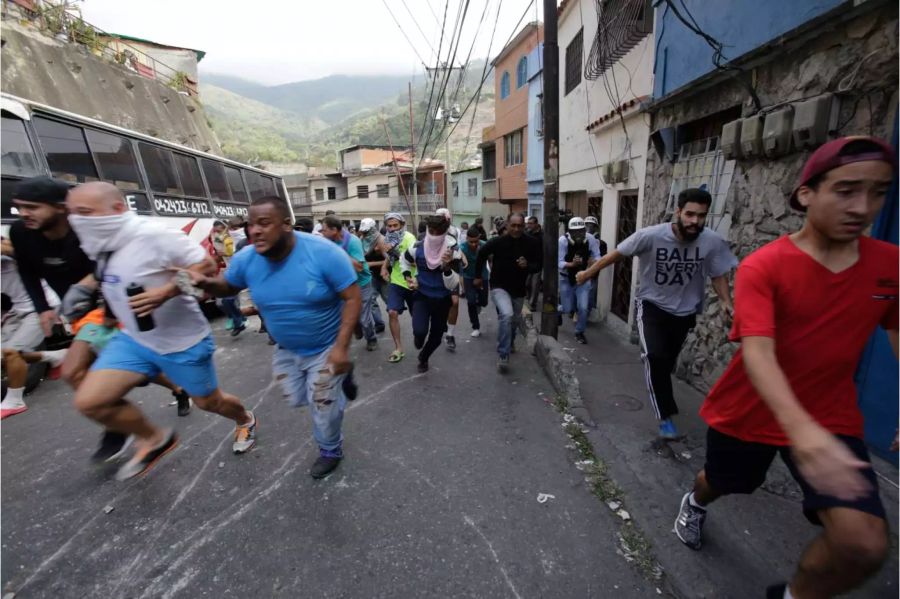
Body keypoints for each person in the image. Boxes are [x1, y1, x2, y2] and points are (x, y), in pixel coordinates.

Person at [673, 137, 897, 599]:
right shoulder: (766, 267)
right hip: (750, 411)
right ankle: (694, 502)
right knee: (722, 481)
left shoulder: (890, 266)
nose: (863, 206)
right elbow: (758, 353)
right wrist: (803, 435)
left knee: (863, 543)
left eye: (878, 192)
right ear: (806, 194)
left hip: (829, 416)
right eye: (846, 190)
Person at [67, 182, 256, 481]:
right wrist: (84, 287)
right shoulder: (101, 240)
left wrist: (166, 292)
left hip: (181, 341)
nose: (76, 220)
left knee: (209, 402)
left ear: (116, 209)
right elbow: (108, 269)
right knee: (90, 401)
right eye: (72, 213)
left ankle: (245, 418)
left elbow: (206, 266)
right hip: (133, 339)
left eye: (85, 212)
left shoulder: (154, 235)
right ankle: (154, 438)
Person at [191, 195, 360, 479]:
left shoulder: (324, 253)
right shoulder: (246, 257)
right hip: (287, 348)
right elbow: (228, 286)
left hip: (326, 347)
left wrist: (341, 348)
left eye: (264, 223)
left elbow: (353, 297)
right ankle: (342, 380)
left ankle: (331, 449)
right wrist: (205, 283)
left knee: (323, 406)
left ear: (286, 225)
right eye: (251, 224)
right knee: (296, 397)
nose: (254, 230)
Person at [577, 188, 737, 439]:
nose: (695, 221)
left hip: (685, 311)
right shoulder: (651, 236)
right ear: (678, 212)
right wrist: (588, 273)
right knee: (653, 356)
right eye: (690, 214)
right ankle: (665, 418)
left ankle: (663, 393)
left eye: (701, 216)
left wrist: (727, 302)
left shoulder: (712, 242)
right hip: (651, 305)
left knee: (666, 362)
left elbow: (718, 273)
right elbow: (617, 254)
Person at [1, 237, 64, 418]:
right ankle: (55, 356)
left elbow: (15, 249)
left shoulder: (11, 256)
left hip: (42, 307)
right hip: (16, 310)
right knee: (4, 356)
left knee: (11, 352)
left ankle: (14, 401)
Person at [474, 214, 542, 372]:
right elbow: (482, 254)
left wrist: (527, 266)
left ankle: (509, 341)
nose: (516, 229)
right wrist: (478, 276)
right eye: (513, 225)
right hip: (499, 286)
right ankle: (503, 354)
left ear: (523, 226)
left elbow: (538, 265)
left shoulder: (531, 242)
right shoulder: (498, 242)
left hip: (518, 290)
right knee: (506, 315)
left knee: (514, 321)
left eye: (520, 226)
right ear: (507, 225)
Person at [400, 215, 462, 372]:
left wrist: (447, 267)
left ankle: (424, 357)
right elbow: (404, 260)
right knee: (420, 331)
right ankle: (419, 338)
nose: (434, 236)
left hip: (443, 299)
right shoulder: (417, 247)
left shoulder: (453, 250)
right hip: (422, 296)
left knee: (436, 337)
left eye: (438, 232)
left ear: (445, 232)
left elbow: (454, 283)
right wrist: (408, 277)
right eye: (431, 231)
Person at [320, 216, 377, 352]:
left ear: (334, 230)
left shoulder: (353, 241)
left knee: (364, 317)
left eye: (324, 230)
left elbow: (359, 267)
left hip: (361, 284)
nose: (322, 233)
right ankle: (356, 327)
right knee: (346, 315)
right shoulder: (328, 242)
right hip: (342, 285)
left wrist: (338, 253)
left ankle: (371, 338)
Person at [381, 212, 417, 364]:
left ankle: (420, 334)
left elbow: (414, 262)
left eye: (395, 225)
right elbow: (390, 259)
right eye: (389, 226)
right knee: (392, 312)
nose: (392, 229)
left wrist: (393, 251)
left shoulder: (410, 238)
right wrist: (384, 267)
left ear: (402, 225)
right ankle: (398, 348)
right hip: (396, 281)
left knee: (418, 320)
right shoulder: (388, 239)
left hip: (412, 281)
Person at [558, 217, 602, 344]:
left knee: (583, 307)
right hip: (566, 278)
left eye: (581, 231)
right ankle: (557, 311)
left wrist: (593, 262)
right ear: (569, 232)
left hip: (583, 277)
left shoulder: (591, 239)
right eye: (575, 232)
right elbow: (558, 261)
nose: (579, 234)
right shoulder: (562, 241)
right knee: (568, 309)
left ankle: (579, 332)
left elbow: (598, 256)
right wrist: (571, 264)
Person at [435, 207, 464, 351]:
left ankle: (450, 334)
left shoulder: (455, 231)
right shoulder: (429, 233)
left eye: (444, 220)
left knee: (455, 302)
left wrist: (460, 257)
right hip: (435, 270)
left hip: (452, 267)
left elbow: (459, 249)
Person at [210, 220, 246, 337]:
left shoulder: (237, 238)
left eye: (219, 230)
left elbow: (231, 252)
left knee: (230, 300)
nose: (217, 232)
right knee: (225, 301)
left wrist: (224, 253)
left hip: (240, 272)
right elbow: (217, 241)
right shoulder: (221, 239)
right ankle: (239, 320)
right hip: (231, 272)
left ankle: (241, 320)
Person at [358, 218, 387, 333]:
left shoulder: (381, 240)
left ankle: (394, 318)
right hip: (371, 275)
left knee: (389, 301)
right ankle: (379, 323)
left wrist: (371, 264)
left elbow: (390, 259)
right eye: (363, 232)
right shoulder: (361, 240)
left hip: (384, 274)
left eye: (367, 232)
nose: (364, 234)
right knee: (372, 300)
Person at [460, 227, 489, 337]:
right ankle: (475, 326)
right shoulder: (462, 248)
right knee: (470, 302)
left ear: (479, 238)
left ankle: (479, 304)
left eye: (476, 241)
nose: (473, 244)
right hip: (468, 277)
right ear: (467, 238)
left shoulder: (484, 245)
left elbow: (491, 259)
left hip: (483, 276)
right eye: (471, 242)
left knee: (484, 302)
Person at [583, 215, 607, 317]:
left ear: (595, 227)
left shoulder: (601, 243)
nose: (589, 227)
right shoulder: (579, 240)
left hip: (592, 274)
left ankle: (585, 313)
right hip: (580, 271)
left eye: (591, 225)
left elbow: (602, 259)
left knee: (589, 295)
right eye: (587, 225)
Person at [525, 216, 544, 311]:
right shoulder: (527, 234)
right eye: (528, 223)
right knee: (527, 283)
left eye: (531, 223)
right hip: (528, 263)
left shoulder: (542, 235)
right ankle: (529, 298)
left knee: (535, 285)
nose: (529, 225)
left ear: (536, 224)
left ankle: (533, 304)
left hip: (538, 263)